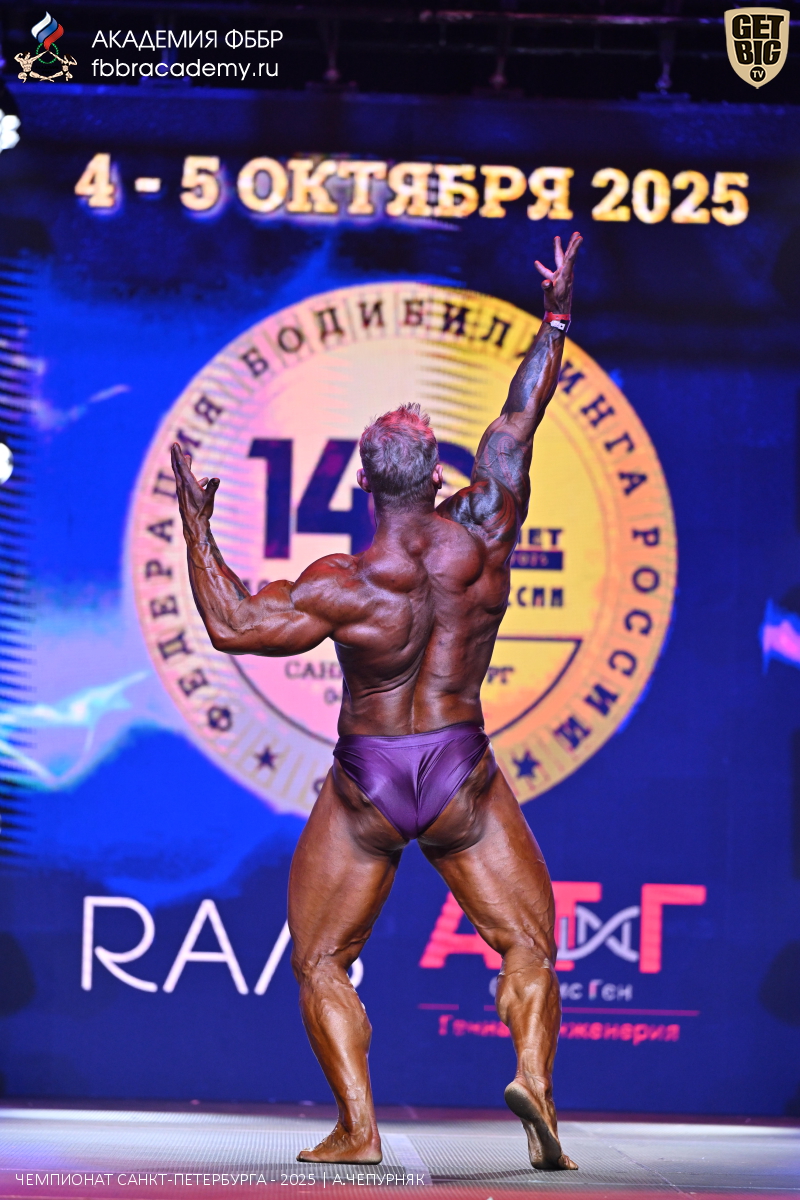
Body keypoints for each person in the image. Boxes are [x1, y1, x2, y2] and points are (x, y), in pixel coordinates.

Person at [171, 232, 582, 1171]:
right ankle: (534, 1080)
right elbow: (521, 417)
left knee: (320, 958)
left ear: (361, 483)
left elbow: (232, 623)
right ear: (438, 475)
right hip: (459, 769)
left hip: (369, 779)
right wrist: (556, 315)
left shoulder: (343, 583)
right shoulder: (484, 529)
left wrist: (197, 524)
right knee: (526, 943)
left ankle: (359, 1129)